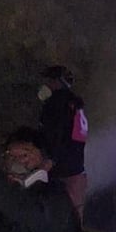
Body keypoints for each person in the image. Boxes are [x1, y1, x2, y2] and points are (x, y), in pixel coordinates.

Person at [39, 65, 88, 219]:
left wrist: (51, 159)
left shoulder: (55, 103)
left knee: (54, 215)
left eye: (48, 80)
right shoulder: (76, 104)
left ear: (56, 81)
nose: (45, 84)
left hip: (59, 170)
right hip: (76, 169)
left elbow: (57, 133)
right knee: (75, 216)